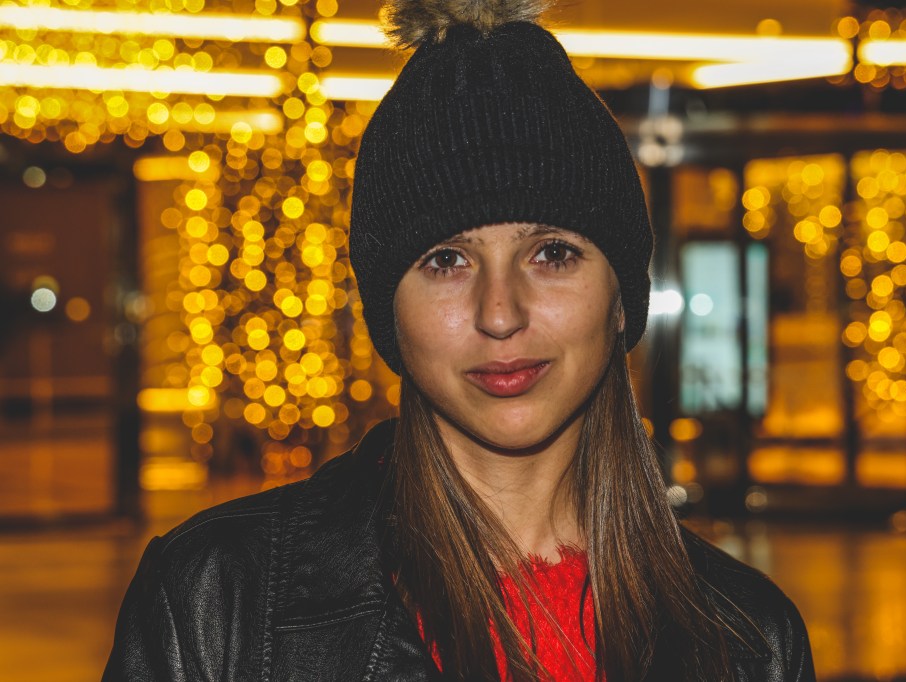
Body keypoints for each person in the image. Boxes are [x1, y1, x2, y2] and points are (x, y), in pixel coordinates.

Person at [104, 0, 815, 680]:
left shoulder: (750, 640)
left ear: (621, 300)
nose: (500, 313)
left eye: (553, 254)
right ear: (390, 316)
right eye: (446, 261)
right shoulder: (217, 603)